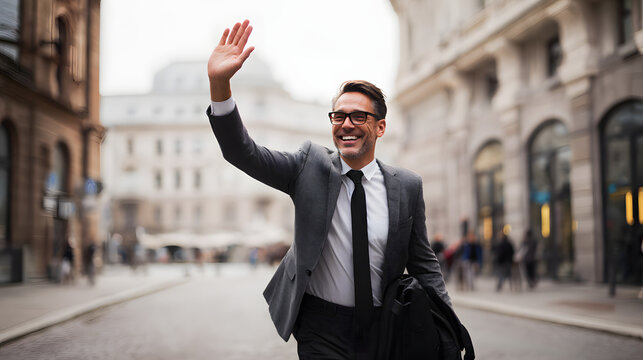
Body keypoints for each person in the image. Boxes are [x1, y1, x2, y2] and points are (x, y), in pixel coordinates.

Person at [206, 20, 450, 359]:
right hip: (322, 326)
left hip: (387, 325)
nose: (346, 124)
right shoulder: (309, 167)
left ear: (380, 127)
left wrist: (446, 325)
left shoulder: (407, 186)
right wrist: (220, 85)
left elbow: (424, 264)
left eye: (358, 117)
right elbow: (242, 152)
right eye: (338, 116)